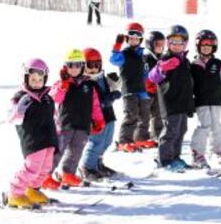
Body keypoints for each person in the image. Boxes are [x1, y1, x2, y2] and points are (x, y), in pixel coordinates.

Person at [42, 49, 105, 189]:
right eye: (71, 65)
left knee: (76, 151)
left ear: (82, 66)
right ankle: (46, 175)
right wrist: (64, 85)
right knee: (58, 150)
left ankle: (68, 173)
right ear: (66, 67)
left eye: (77, 65)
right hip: (65, 124)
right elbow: (54, 98)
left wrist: (99, 119)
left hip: (83, 124)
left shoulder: (89, 84)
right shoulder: (61, 83)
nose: (74, 69)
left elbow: (95, 104)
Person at [7, 58, 58, 208]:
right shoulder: (21, 97)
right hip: (33, 140)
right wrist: (19, 109)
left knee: (45, 168)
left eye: (40, 79)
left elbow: (53, 116)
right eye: (33, 79)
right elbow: (12, 119)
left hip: (48, 138)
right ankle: (15, 193)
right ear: (26, 78)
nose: (36, 82)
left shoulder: (47, 97)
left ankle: (32, 190)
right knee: (32, 168)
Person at [189, 30, 221, 169]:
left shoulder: (218, 64)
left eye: (209, 44)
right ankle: (197, 154)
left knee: (216, 127)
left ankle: (217, 152)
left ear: (214, 47)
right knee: (204, 126)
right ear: (198, 46)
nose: (206, 47)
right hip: (201, 101)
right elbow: (190, 85)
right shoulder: (193, 65)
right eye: (203, 44)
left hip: (216, 101)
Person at [149, 25, 194, 172]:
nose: (176, 45)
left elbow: (188, 84)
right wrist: (162, 68)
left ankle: (175, 157)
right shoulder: (165, 59)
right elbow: (153, 76)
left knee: (181, 130)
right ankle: (164, 160)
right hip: (170, 103)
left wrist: (190, 104)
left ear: (185, 44)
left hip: (182, 104)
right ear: (169, 43)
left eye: (179, 42)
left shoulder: (185, 62)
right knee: (170, 132)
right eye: (173, 42)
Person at [79, 47, 122, 181]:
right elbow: (91, 102)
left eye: (97, 65)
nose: (94, 68)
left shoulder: (101, 77)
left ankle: (97, 164)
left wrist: (115, 87)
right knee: (96, 142)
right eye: (90, 65)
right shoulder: (85, 82)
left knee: (107, 141)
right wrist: (108, 99)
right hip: (95, 119)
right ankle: (87, 167)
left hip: (108, 116)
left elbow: (113, 87)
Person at [110, 22, 152, 152]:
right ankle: (124, 141)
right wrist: (117, 46)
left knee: (145, 115)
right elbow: (113, 59)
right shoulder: (124, 54)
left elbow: (145, 72)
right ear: (127, 39)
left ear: (140, 39)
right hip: (129, 89)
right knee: (131, 115)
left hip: (142, 89)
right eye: (131, 38)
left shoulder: (142, 55)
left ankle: (140, 138)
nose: (134, 40)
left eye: (136, 38)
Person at [142, 31, 166, 148]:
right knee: (144, 115)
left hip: (157, 91)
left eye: (162, 44)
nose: (160, 47)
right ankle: (140, 136)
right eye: (157, 44)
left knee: (157, 114)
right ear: (150, 44)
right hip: (146, 92)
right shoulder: (145, 58)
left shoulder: (161, 58)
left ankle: (157, 134)